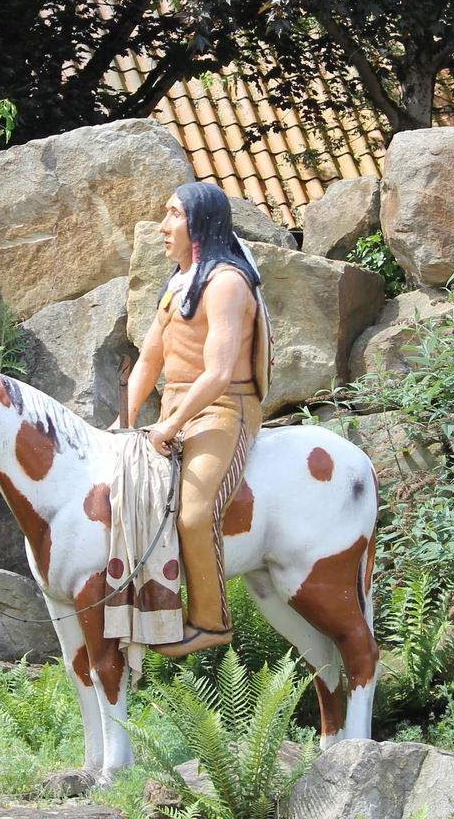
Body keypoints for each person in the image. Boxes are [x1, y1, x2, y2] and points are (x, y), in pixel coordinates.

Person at [118, 181, 271, 657]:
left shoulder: (226, 283)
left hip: (225, 409)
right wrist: (125, 420)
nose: (163, 226)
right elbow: (149, 360)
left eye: (174, 215)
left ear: (200, 223)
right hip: (177, 410)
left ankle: (210, 622)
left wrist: (168, 425)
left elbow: (219, 374)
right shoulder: (177, 283)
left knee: (194, 513)